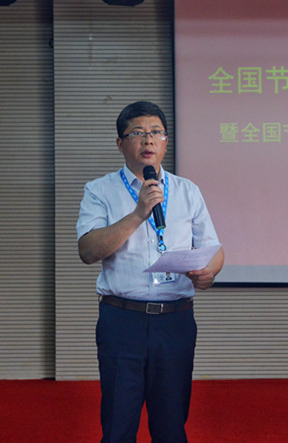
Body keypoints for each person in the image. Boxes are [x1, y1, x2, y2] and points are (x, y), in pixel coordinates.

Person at [76, 100, 224, 443]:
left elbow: (213, 249)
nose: (148, 140)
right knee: (118, 425)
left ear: (166, 142)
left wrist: (208, 273)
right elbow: (88, 250)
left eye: (156, 132)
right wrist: (138, 213)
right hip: (122, 321)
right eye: (138, 133)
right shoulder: (99, 190)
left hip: (175, 321)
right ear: (120, 143)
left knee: (171, 426)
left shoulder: (187, 191)